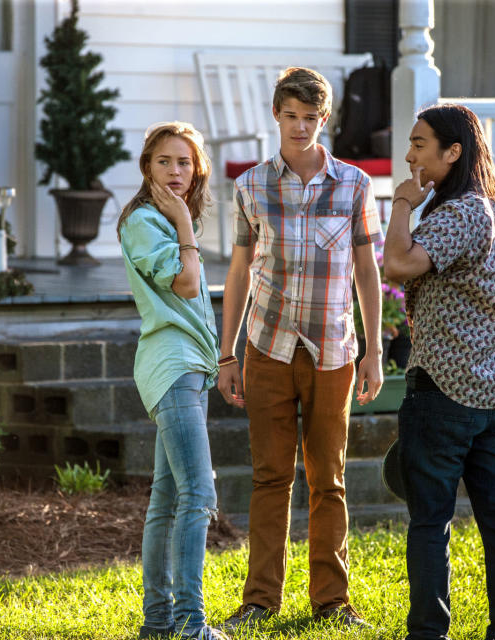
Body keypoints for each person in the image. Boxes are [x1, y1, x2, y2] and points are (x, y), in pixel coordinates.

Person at [217, 67, 384, 629]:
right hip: (266, 347)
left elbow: (367, 270)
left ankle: (332, 601)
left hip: (333, 350)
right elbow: (239, 272)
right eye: (290, 115)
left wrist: (374, 351)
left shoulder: (355, 185)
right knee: (269, 477)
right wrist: (229, 352)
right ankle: (260, 600)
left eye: (310, 118)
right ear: (276, 115)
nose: (299, 126)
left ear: (324, 119)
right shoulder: (250, 187)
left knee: (328, 478)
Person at [382, 103, 495, 640]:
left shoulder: (461, 214)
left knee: (430, 522)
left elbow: (398, 264)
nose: (409, 156)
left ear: (454, 152)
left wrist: (402, 205)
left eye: (420, 145)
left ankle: (428, 633)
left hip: (444, 395)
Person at [117, 122, 228, 640]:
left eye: (184, 162)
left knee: (166, 499)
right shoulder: (145, 221)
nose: (175, 171)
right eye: (164, 161)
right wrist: (184, 225)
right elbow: (185, 285)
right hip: (172, 367)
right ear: (147, 167)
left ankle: (158, 623)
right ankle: (190, 623)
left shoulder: (163, 222)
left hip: (190, 368)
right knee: (199, 495)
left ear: (197, 168)